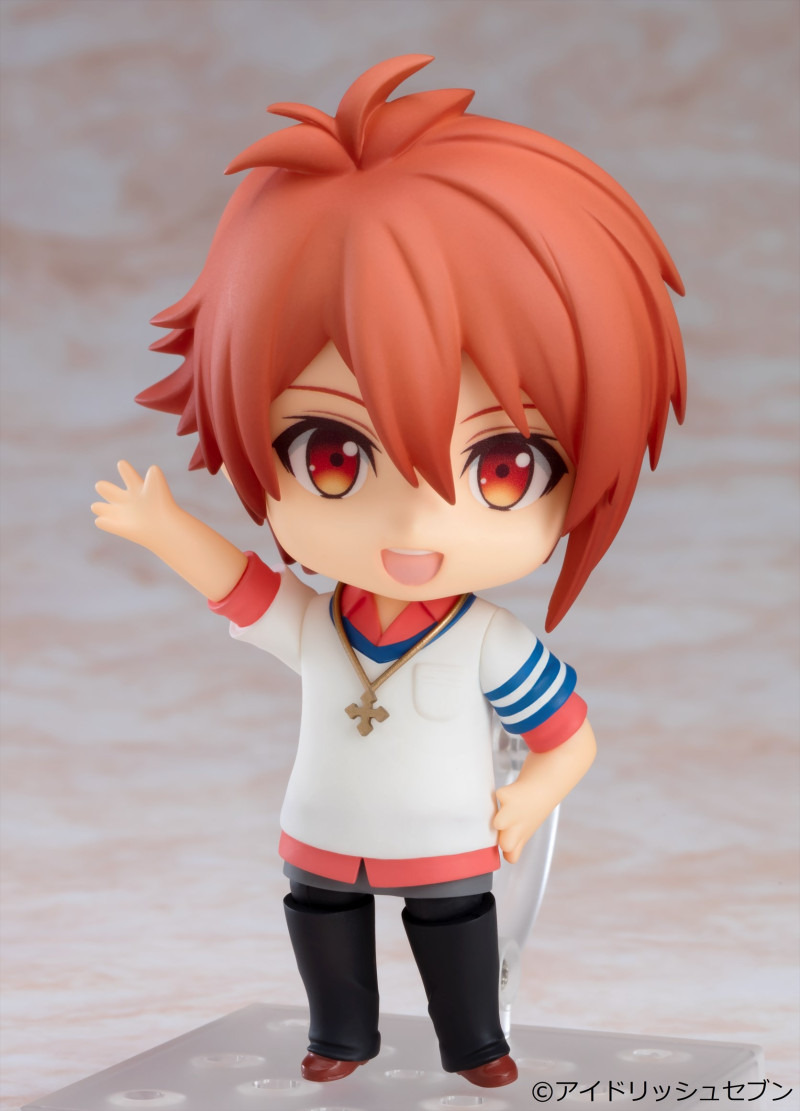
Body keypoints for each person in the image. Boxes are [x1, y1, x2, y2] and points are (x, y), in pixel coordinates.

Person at [92, 55, 685, 1089]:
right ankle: (340, 1036)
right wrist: (163, 527)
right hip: (321, 836)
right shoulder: (322, 623)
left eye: (501, 469)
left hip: (449, 846)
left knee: (454, 934)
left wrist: (530, 795)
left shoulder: (488, 641)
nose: (415, 521)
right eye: (334, 455)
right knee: (322, 926)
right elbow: (241, 584)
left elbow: (568, 734)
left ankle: (476, 1043)